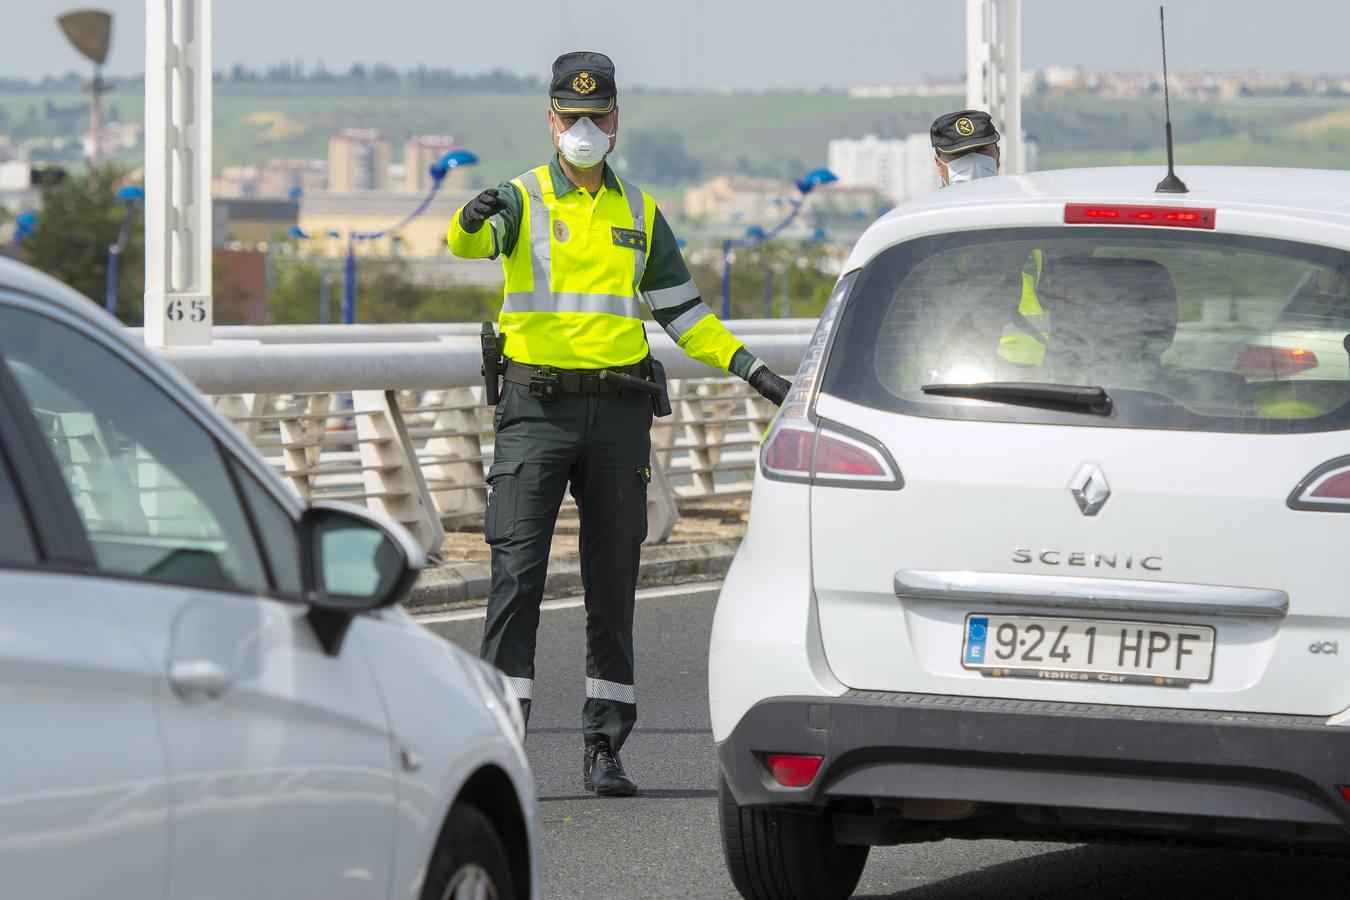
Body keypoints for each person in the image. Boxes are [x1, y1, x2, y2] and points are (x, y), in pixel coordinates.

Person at [447, 51, 792, 798]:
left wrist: (757, 373)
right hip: (535, 411)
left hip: (619, 416)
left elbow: (685, 315)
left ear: (615, 122)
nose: (582, 128)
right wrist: (468, 216)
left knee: (612, 583)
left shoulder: (639, 211)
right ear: (549, 120)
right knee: (516, 577)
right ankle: (499, 748)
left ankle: (605, 748)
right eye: (569, 116)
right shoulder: (519, 199)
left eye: (595, 116)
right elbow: (467, 244)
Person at [931, 109, 1048, 366]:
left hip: (1034, 376)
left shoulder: (1030, 223)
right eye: (959, 155)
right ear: (939, 164)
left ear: (997, 154)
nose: (972, 162)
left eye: (980, 151)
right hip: (949, 377)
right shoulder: (923, 232)